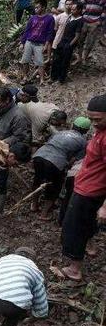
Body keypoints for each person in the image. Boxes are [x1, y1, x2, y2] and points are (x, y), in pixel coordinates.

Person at [60, 95, 106, 281]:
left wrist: (105, 205)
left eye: (98, 119)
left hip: (90, 191)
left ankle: (74, 269)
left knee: (74, 227)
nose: (94, 123)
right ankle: (91, 246)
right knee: (86, 222)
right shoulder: (99, 132)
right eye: (91, 119)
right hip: (86, 185)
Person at [31, 117, 90, 220]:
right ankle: (44, 214)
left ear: (73, 125)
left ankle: (34, 205)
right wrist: (66, 166)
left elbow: (49, 142)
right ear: (86, 130)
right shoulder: (83, 142)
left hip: (39, 155)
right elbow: (74, 160)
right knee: (54, 186)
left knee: (38, 179)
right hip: (55, 161)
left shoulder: (60, 133)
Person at [19, 0, 55, 85]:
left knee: (40, 62)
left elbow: (50, 33)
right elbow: (27, 30)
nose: (35, 9)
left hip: (40, 43)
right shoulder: (33, 18)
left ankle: (42, 80)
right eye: (35, 7)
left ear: (43, 7)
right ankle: (25, 77)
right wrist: (22, 43)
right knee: (25, 60)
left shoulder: (50, 18)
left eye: (37, 7)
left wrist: (46, 45)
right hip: (29, 41)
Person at [51, 1, 85, 83]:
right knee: (56, 60)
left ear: (79, 10)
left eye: (74, 9)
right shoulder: (70, 17)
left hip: (69, 43)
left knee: (64, 62)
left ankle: (61, 79)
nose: (72, 10)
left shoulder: (80, 20)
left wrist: (70, 45)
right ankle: (53, 77)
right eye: (72, 9)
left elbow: (77, 36)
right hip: (62, 41)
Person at [79, 0, 105, 64]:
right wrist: (82, 13)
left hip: (95, 22)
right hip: (84, 21)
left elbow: (105, 12)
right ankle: (79, 57)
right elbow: (80, 3)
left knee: (90, 42)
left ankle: (84, 58)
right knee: (81, 40)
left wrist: (99, 21)